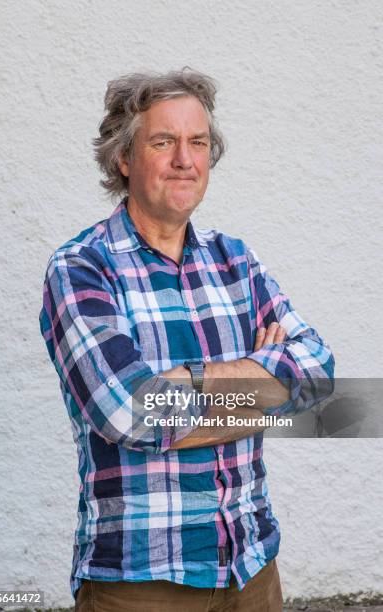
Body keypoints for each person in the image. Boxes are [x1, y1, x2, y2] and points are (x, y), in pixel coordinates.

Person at [39, 67, 334, 611]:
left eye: (198, 142)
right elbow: (132, 411)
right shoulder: (81, 269)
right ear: (124, 159)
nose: (185, 159)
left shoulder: (237, 261)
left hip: (253, 572)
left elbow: (317, 375)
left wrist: (183, 391)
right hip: (142, 581)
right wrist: (264, 371)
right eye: (163, 141)